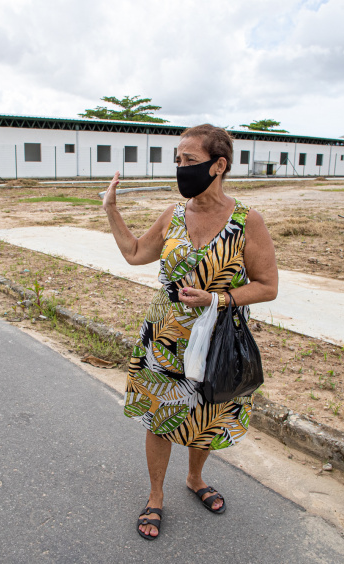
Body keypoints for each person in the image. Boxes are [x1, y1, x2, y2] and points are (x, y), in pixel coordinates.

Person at [102, 124, 279, 540]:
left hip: (216, 337)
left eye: (190, 161)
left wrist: (216, 300)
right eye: (177, 160)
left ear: (219, 166)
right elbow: (134, 254)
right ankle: (156, 495)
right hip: (165, 334)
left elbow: (267, 286)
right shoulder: (174, 214)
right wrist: (111, 209)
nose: (181, 168)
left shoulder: (246, 221)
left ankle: (195, 479)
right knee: (159, 417)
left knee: (206, 411)